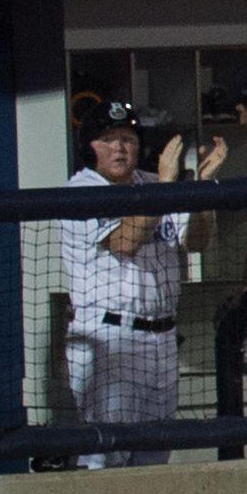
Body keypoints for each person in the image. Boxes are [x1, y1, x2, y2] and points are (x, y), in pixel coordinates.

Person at [59, 100, 211, 465]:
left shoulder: (155, 182)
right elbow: (125, 242)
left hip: (162, 338)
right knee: (106, 453)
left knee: (156, 452)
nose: (119, 147)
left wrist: (203, 193)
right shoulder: (82, 187)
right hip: (109, 336)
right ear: (89, 147)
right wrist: (166, 185)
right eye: (108, 139)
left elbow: (198, 241)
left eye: (127, 138)